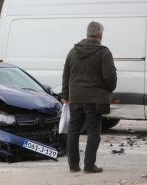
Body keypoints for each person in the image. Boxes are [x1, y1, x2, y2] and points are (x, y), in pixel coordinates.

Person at [61, 21, 117, 173]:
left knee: (73, 131)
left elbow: (66, 74)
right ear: (100, 35)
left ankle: (73, 166)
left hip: (75, 98)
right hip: (95, 100)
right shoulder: (104, 52)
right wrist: (110, 88)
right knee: (93, 132)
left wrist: (65, 95)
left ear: (87, 34)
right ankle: (89, 166)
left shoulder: (73, 51)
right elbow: (110, 77)